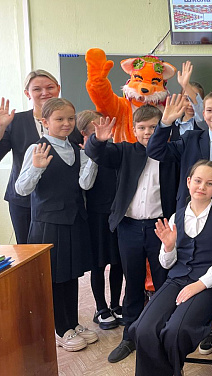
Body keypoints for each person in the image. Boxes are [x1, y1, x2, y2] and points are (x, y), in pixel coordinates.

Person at [84, 106, 180, 363]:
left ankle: (161, 334)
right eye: (142, 128)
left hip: (161, 228)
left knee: (163, 281)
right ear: (134, 130)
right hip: (129, 227)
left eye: (153, 127)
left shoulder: (171, 153)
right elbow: (96, 153)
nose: (148, 132)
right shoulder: (124, 151)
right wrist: (98, 140)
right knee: (133, 280)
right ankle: (130, 335)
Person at [129, 160, 212, 376]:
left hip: (208, 285)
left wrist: (199, 285)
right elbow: (166, 263)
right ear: (188, 182)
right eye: (198, 181)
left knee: (175, 331)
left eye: (209, 183)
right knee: (143, 328)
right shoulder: (177, 216)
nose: (202, 187)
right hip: (176, 280)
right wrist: (168, 247)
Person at [15, 98, 98, 351]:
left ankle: (72, 322)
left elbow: (85, 184)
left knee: (71, 274)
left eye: (70, 118)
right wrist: (36, 168)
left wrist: (93, 158)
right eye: (59, 119)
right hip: (48, 223)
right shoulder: (36, 149)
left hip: (74, 220)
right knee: (54, 277)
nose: (66, 123)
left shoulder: (76, 149)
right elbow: (21, 189)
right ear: (45, 121)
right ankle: (60, 329)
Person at [0, 70, 81, 243]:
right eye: (37, 89)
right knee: (27, 251)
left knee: (57, 252)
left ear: (58, 89)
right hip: (23, 201)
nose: (45, 93)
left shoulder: (69, 123)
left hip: (58, 205)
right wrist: (1, 128)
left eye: (50, 87)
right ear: (27, 93)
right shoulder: (15, 121)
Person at [146, 92, 212, 211]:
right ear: (203, 114)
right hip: (190, 208)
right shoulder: (190, 139)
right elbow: (155, 150)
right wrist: (165, 122)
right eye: (209, 110)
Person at [76, 110, 123, 330]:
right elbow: (85, 184)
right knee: (99, 263)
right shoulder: (83, 155)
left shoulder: (113, 151)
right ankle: (101, 308)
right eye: (95, 130)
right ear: (84, 134)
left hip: (116, 214)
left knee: (118, 262)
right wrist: (93, 153)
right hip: (96, 216)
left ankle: (116, 304)